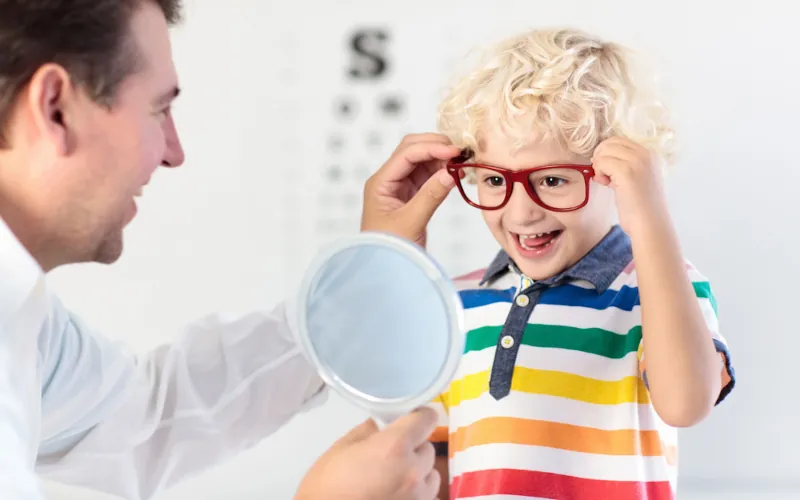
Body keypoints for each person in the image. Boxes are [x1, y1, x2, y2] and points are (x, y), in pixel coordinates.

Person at [0, 1, 461, 499]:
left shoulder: (23, 320)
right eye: (159, 109)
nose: (174, 152)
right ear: (55, 107)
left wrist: (366, 285)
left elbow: (143, 419)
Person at [425, 28, 737, 499]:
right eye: (493, 180)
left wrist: (649, 219)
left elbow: (687, 404)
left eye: (552, 180)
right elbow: (434, 465)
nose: (521, 211)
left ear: (619, 178)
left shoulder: (657, 287)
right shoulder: (454, 300)